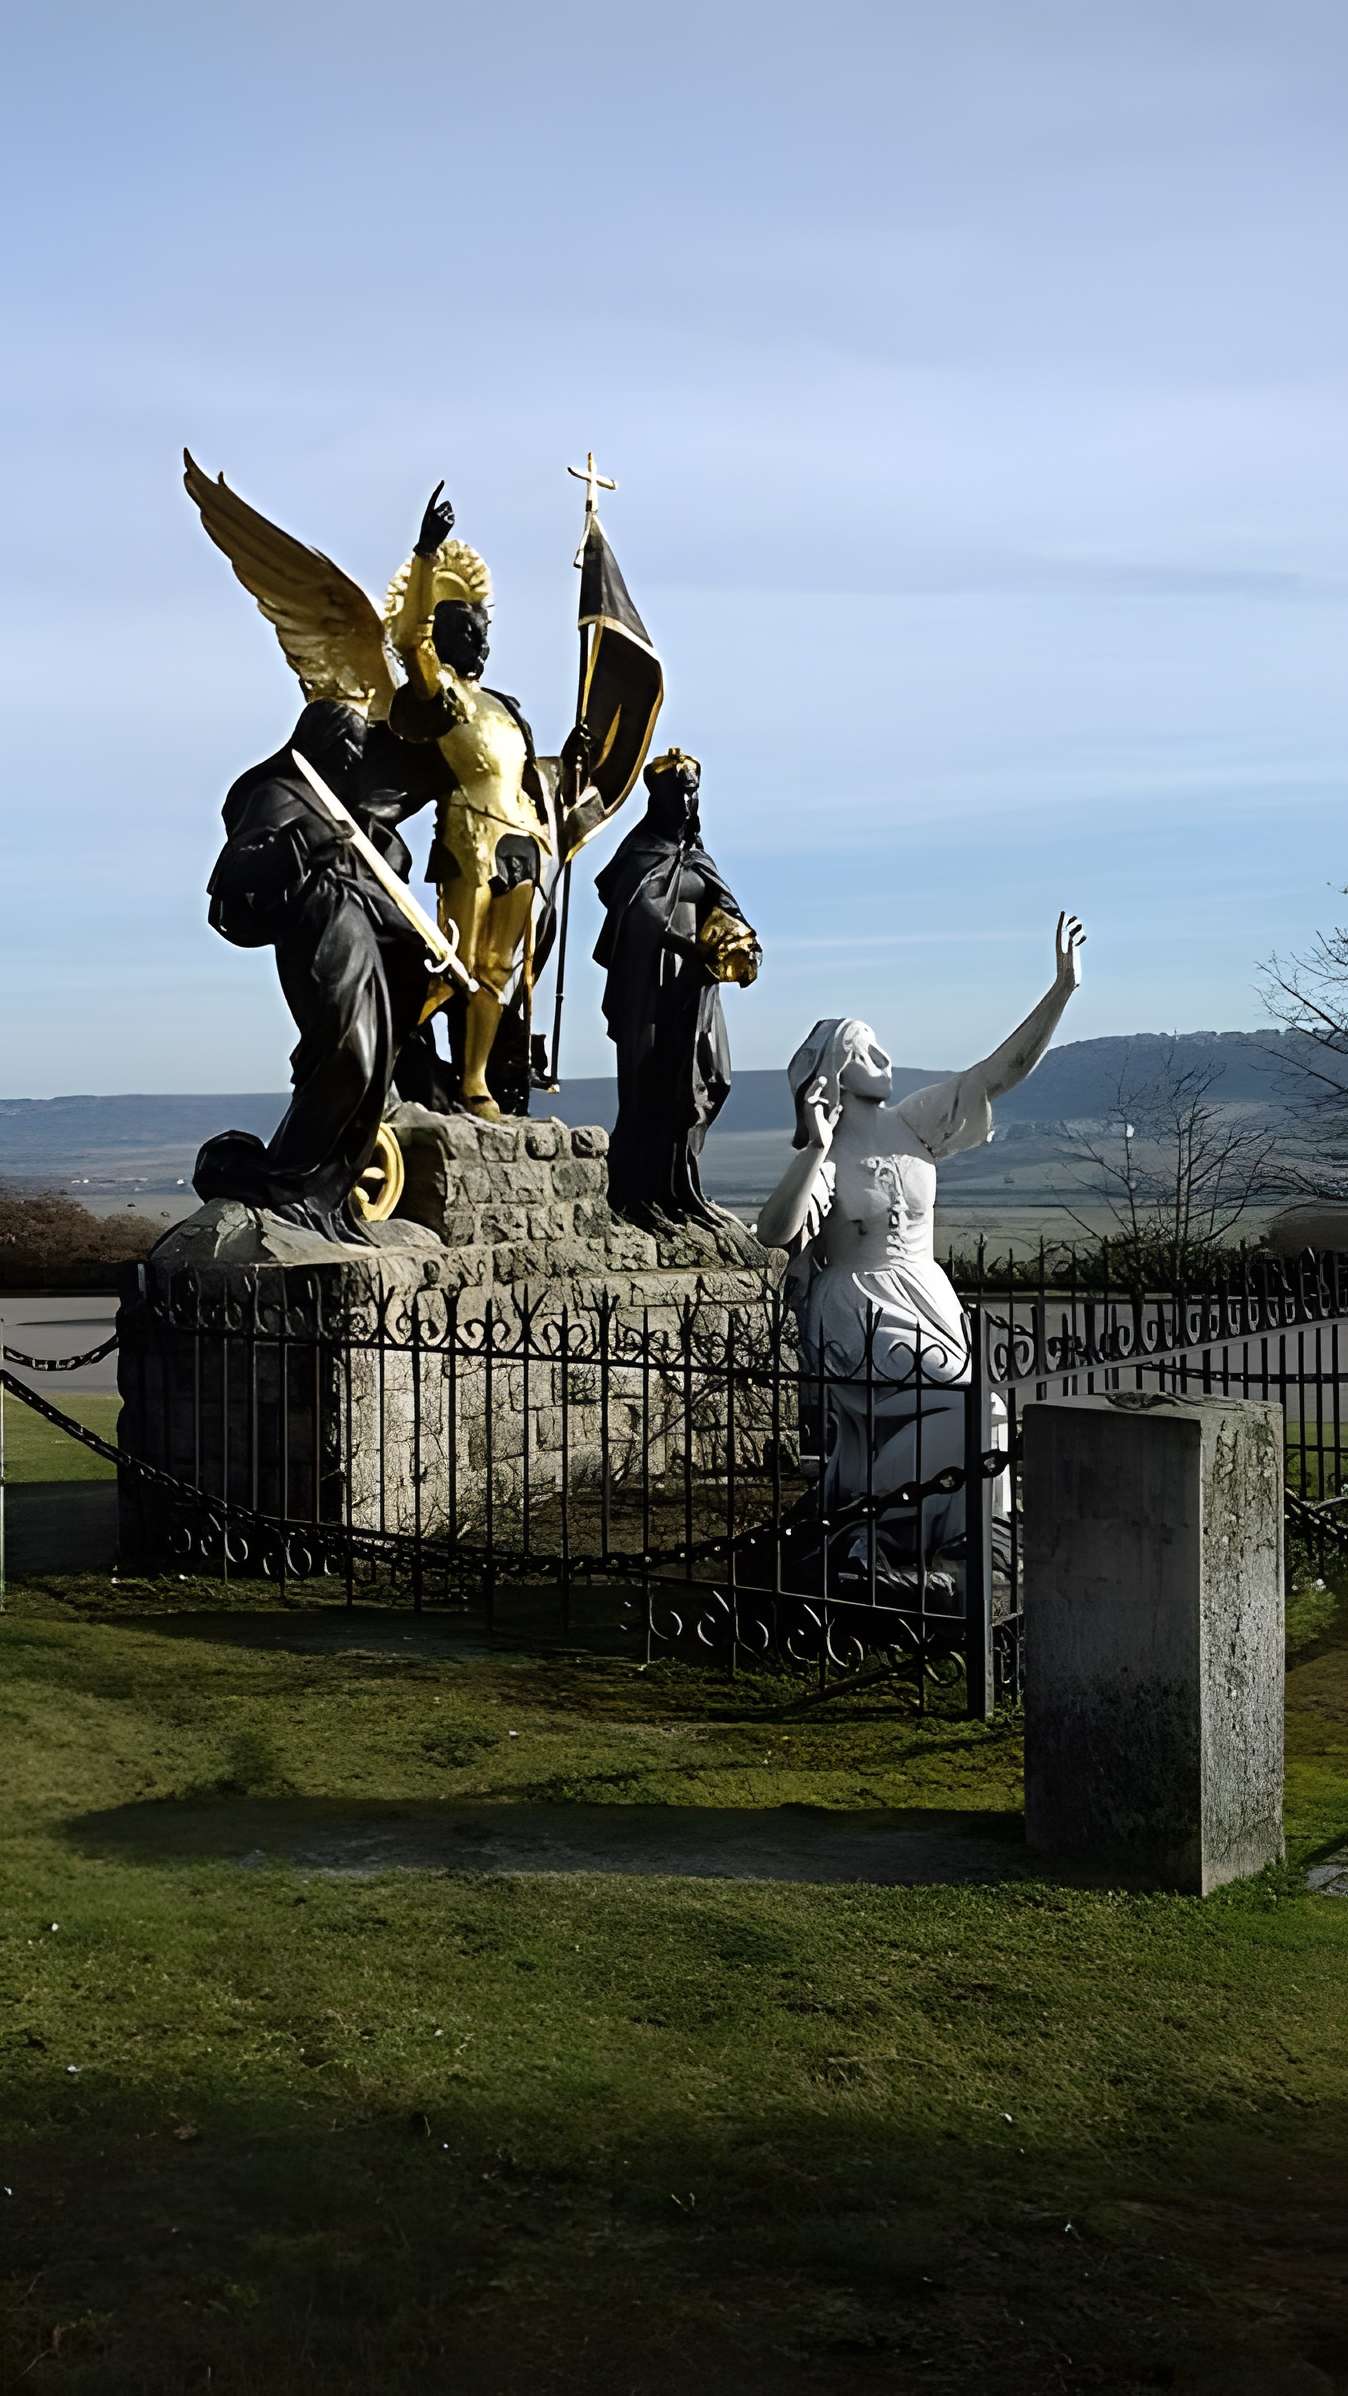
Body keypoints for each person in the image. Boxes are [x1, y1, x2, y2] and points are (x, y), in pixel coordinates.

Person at [756, 914, 1086, 1572]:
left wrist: (1061, 990)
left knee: (974, 1412)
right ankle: (881, 1533)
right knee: (971, 1408)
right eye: (869, 1053)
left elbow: (998, 1073)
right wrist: (816, 1146)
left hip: (925, 1293)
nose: (886, 1061)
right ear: (837, 1074)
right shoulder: (828, 1160)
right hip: (858, 1307)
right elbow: (774, 1231)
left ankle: (961, 1544)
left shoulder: (914, 1124)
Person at [193, 699, 437, 1242]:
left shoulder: (342, 810)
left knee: (373, 1064)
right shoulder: (279, 794)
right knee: (347, 1052)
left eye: (357, 750)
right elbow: (235, 872)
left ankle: (325, 1195)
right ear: (318, 741)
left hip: (361, 939)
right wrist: (304, 843)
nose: (351, 759)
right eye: (343, 745)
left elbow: (381, 884)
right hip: (318, 932)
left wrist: (425, 940)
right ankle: (288, 1182)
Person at [593, 749, 760, 1228]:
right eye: (679, 793)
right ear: (659, 797)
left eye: (693, 792)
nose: (687, 802)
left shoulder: (697, 857)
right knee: (649, 1085)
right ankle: (637, 1195)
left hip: (697, 988)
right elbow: (636, 913)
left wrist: (742, 944)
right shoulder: (639, 853)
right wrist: (688, 948)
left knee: (708, 1081)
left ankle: (682, 1192)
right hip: (649, 984)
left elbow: (726, 908)